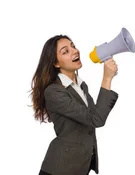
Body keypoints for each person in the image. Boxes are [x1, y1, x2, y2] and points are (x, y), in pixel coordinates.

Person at [30, 35, 119, 175]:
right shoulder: (53, 92)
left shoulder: (81, 85)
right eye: (65, 51)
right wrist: (107, 78)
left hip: (80, 165)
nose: (74, 51)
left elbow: (93, 114)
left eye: (73, 46)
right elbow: (96, 119)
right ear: (56, 63)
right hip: (60, 168)